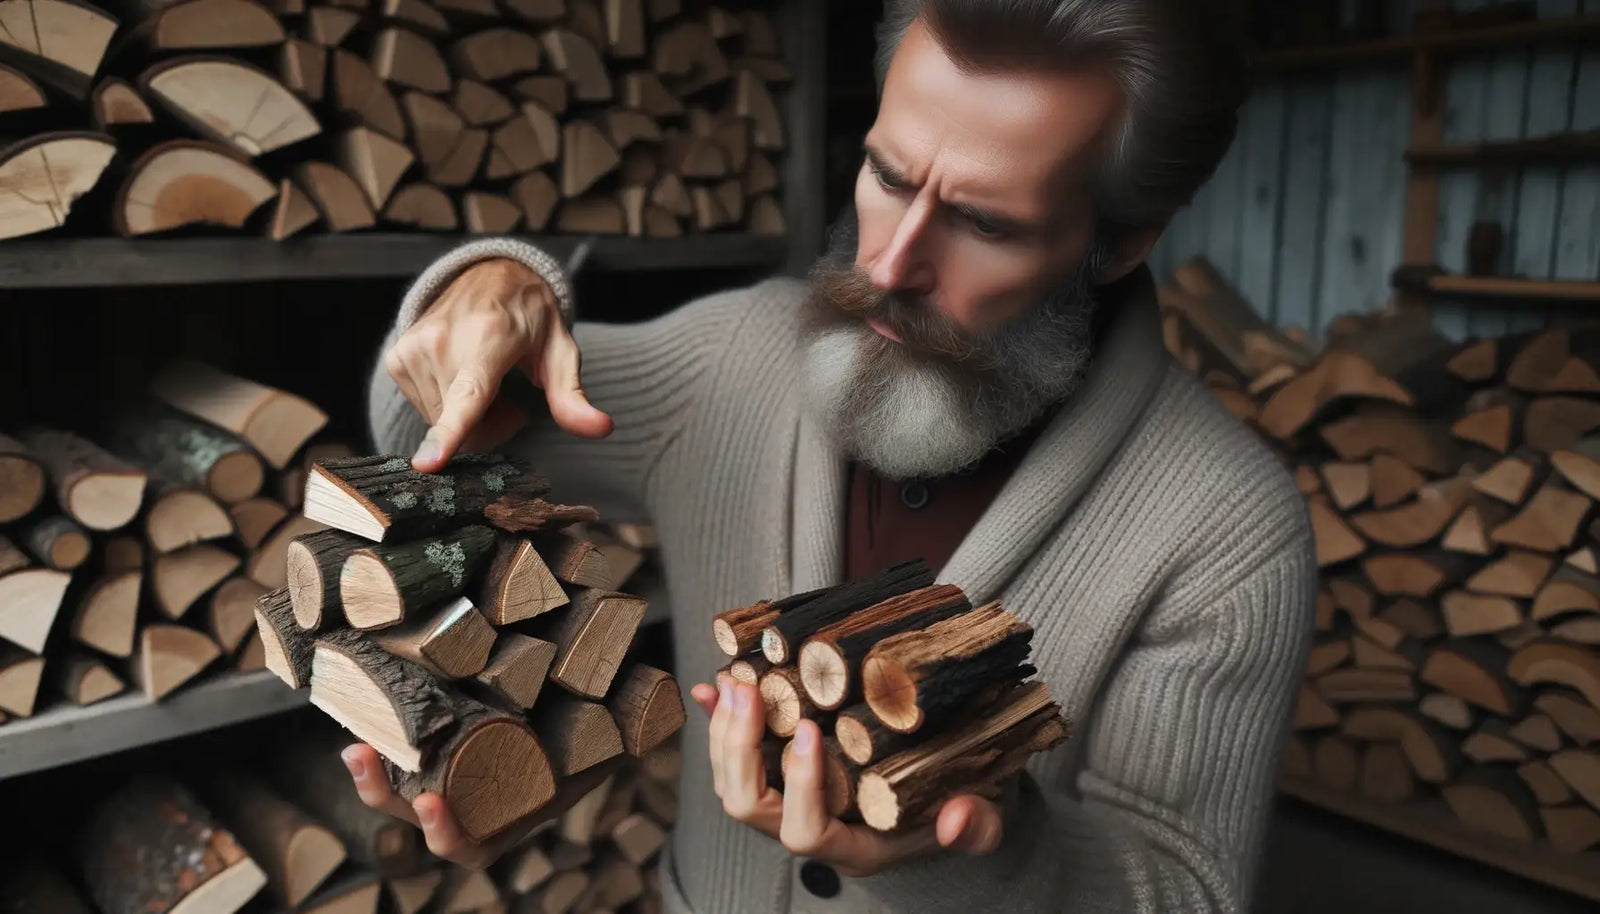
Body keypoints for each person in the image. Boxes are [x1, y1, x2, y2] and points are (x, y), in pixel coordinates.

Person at [341, 1, 1318, 911]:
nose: (888, 266)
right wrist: (493, 282)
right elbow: (419, 428)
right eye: (888, 178)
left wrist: (984, 851)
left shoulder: (1227, 525)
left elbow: (1190, 891)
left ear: (1119, 243)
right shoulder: (730, 357)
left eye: (983, 223)